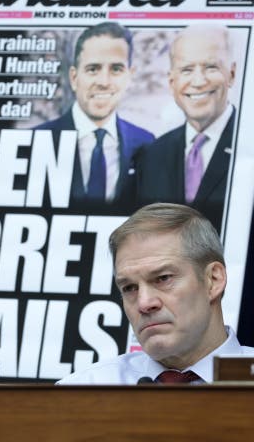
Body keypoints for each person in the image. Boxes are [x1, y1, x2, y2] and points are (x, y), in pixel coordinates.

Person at [58, 203, 254, 384]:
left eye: (163, 278)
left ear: (213, 280)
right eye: (129, 288)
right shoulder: (81, 391)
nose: (144, 303)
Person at [35, 22, 154, 207]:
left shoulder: (146, 143)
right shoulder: (37, 140)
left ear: (129, 77)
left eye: (116, 69)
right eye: (93, 69)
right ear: (74, 78)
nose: (104, 82)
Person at [135, 24, 236, 232]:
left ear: (231, 74)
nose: (198, 81)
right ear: (172, 82)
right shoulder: (151, 156)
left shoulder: (247, 143)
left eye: (211, 67)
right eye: (187, 70)